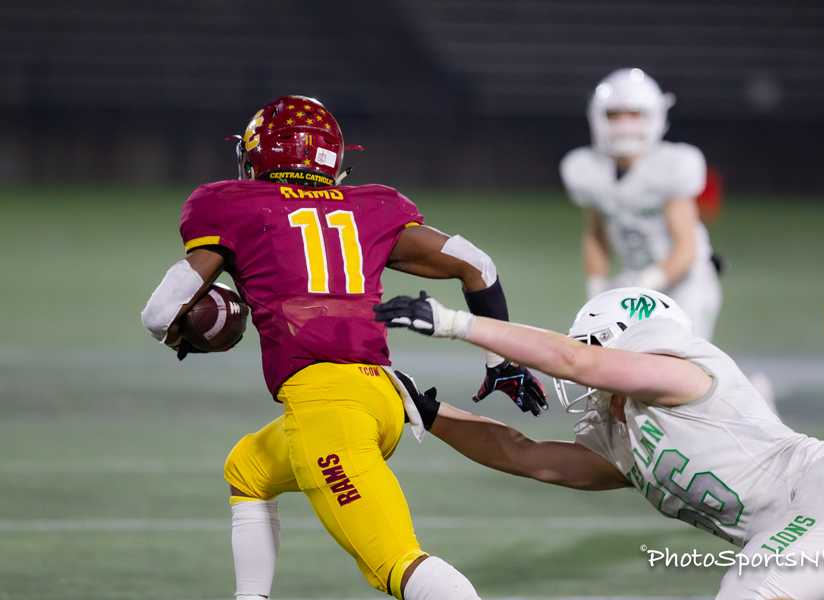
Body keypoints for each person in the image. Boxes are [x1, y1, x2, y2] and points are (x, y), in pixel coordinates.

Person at [140, 95, 547, 600]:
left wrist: (184, 330)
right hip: (383, 398)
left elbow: (159, 313)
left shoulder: (227, 204)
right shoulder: (373, 207)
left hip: (326, 407)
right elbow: (477, 265)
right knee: (247, 469)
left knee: (397, 564)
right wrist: (501, 361)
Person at [375, 287, 824, 599]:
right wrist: (432, 413)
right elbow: (526, 456)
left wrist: (456, 322)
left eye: (594, 343)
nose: (581, 363)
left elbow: (576, 362)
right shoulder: (622, 438)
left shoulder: (685, 374)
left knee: (751, 590)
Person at [560, 67, 721, 340]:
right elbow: (596, 235)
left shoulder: (673, 165)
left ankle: (749, 384)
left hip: (685, 280)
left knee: (680, 363)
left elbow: (686, 248)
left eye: (634, 114)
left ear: (654, 116)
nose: (624, 124)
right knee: (612, 357)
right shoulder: (588, 169)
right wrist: (597, 284)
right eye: (614, 115)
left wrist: (649, 283)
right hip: (634, 280)